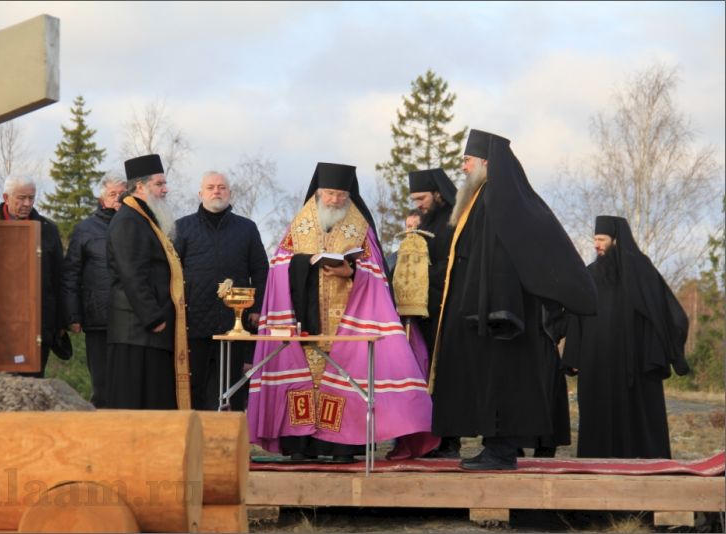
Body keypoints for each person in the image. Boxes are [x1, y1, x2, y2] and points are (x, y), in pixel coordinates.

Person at [247, 162, 439, 462]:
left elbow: (376, 272)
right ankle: (301, 447)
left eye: (341, 195)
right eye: (330, 193)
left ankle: (342, 448)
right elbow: (279, 265)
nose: (335, 200)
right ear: (318, 192)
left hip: (346, 320)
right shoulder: (300, 224)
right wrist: (306, 264)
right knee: (304, 377)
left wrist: (351, 271)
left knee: (345, 377)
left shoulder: (359, 226)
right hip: (303, 319)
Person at [430, 130, 597, 470]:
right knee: (490, 380)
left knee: (503, 382)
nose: (463, 167)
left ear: (486, 162)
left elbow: (506, 259)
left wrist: (498, 309)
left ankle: (501, 452)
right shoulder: (486, 197)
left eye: (467, 160)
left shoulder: (501, 200)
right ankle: (494, 447)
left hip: (503, 316)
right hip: (488, 311)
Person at [562, 215, 690, 458]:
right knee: (598, 414)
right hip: (597, 360)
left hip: (636, 362)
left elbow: (665, 311)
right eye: (594, 239)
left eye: (601, 239)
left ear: (616, 240)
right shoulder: (589, 274)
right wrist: (574, 356)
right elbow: (576, 315)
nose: (596, 245)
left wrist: (669, 351)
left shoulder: (642, 272)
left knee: (636, 416)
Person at [174, 171, 268, 411]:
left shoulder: (247, 228)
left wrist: (257, 308)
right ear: (200, 193)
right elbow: (172, 272)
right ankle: (195, 434)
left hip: (234, 323)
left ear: (230, 193)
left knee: (231, 386)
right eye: (211, 187)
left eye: (222, 187)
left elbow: (260, 270)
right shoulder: (182, 227)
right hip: (194, 322)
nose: (216, 191)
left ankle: (229, 434)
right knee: (195, 387)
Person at [106, 154, 190, 409]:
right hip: (137, 330)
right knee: (136, 403)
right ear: (140, 186)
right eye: (159, 184)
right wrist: (153, 317)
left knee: (155, 401)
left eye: (165, 183)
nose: (165, 189)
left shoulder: (144, 219)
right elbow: (132, 274)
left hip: (149, 331)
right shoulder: (128, 220)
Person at [0, 176, 65, 378]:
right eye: (21, 198)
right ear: (6, 197)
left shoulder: (48, 229)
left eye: (31, 198)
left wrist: (60, 322)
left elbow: (59, 277)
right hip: (0, 325)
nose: (27, 204)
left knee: (33, 383)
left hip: (39, 324)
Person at [408, 168, 461, 458]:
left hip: (450, 307)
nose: (418, 204)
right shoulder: (424, 221)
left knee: (447, 375)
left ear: (438, 193)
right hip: (424, 309)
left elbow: (456, 262)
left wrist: (425, 274)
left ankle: (450, 440)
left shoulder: (456, 219)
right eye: (415, 199)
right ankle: (427, 437)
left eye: (422, 198)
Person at [62, 175, 127, 407]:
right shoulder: (85, 229)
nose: (118, 199)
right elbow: (71, 273)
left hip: (132, 319)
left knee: (127, 382)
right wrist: (73, 315)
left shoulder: (137, 225)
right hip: (98, 317)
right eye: (113, 194)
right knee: (102, 383)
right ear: (102, 198)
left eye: (122, 193)